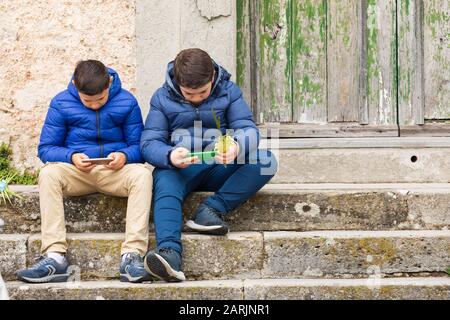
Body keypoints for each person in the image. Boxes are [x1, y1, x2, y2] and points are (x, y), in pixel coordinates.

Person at [140, 48, 278, 282]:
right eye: (188, 94)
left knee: (265, 160)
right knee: (164, 182)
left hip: (219, 165)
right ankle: (169, 254)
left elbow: (248, 130)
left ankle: (210, 210)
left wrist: (236, 146)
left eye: (202, 92)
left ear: (212, 76)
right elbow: (149, 142)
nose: (196, 98)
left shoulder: (229, 92)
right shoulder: (161, 98)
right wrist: (170, 156)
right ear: (177, 81)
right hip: (181, 168)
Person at [16, 60, 153, 283]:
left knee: (143, 175)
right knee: (48, 174)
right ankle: (55, 257)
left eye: (100, 99)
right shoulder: (61, 103)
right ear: (74, 85)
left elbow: (141, 146)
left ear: (109, 83)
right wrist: (71, 157)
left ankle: (132, 256)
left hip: (114, 172)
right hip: (77, 172)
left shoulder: (127, 101)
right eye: (87, 100)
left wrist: (125, 156)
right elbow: (46, 149)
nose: (95, 105)